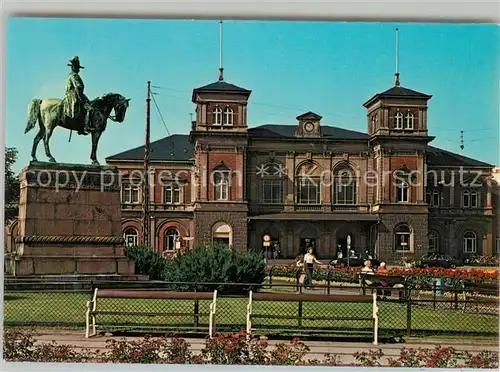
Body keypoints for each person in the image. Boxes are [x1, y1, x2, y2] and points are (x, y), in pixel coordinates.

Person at [62, 56, 92, 135]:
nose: (78, 69)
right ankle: (84, 128)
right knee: (89, 109)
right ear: (73, 67)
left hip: (69, 96)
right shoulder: (74, 76)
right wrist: (83, 99)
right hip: (74, 97)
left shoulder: (69, 76)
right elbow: (78, 88)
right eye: (77, 67)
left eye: (78, 68)